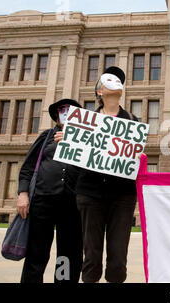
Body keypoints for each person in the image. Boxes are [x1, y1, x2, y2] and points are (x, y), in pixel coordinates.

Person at [55, 66, 138, 283]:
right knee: (91, 256)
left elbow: (133, 158)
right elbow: (75, 156)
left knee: (118, 259)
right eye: (109, 80)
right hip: (90, 195)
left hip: (123, 197)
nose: (115, 82)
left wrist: (138, 155)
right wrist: (69, 139)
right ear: (99, 92)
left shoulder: (132, 121)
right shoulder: (83, 121)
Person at [17, 98, 83, 283]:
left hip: (73, 204)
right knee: (37, 252)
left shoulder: (86, 142)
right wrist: (23, 194)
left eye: (71, 110)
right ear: (56, 115)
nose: (66, 112)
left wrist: (75, 140)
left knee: (68, 255)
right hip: (43, 200)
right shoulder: (46, 137)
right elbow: (28, 168)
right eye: (63, 109)